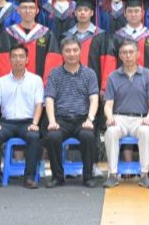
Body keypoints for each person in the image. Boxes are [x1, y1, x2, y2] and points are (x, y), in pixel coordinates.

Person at [0, 45, 44, 190]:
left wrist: (35, 123)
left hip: (27, 122)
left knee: (34, 136)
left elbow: (39, 104)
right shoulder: (1, 81)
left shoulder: (36, 80)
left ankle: (29, 177)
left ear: (27, 59)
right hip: (7, 123)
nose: (18, 60)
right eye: (14, 57)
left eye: (21, 56)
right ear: (10, 59)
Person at [43, 37, 100, 188]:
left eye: (75, 50)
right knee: (52, 137)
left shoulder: (89, 74)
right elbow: (49, 99)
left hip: (83, 119)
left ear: (80, 52)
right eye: (67, 51)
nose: (72, 54)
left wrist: (90, 119)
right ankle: (57, 177)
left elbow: (94, 99)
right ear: (62, 53)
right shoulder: (55, 74)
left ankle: (88, 177)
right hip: (61, 119)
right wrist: (52, 121)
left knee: (88, 136)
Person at [102, 39, 149, 189]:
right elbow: (108, 104)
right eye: (124, 53)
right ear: (120, 55)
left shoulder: (147, 74)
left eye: (131, 52)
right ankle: (112, 175)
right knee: (111, 132)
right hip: (119, 117)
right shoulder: (113, 76)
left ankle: (144, 175)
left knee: (146, 133)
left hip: (140, 118)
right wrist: (109, 117)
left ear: (138, 54)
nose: (128, 56)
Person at [0, 0, 60, 91]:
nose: (28, 11)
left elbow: (53, 62)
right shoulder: (8, 34)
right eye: (24, 7)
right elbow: (3, 63)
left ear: (37, 10)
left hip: (39, 90)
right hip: (13, 89)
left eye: (31, 7)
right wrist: (9, 86)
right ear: (18, 10)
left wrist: (46, 87)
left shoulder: (47, 34)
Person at [63, 0, 110, 90]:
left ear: (92, 13)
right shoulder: (66, 36)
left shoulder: (101, 36)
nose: (82, 13)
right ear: (75, 13)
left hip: (94, 86)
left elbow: (106, 62)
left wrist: (104, 87)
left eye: (86, 10)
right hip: (69, 87)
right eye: (79, 10)